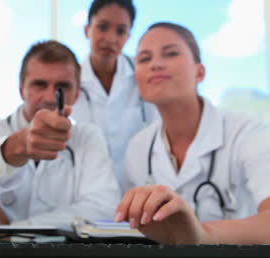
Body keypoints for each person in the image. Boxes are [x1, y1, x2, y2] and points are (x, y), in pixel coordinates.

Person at [115, 22, 270, 244]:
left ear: (200, 72)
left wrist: (203, 234)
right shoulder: (138, 148)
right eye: (144, 59)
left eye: (170, 53)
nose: (156, 64)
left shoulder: (247, 134)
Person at [0, 40, 120, 239]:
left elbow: (104, 207)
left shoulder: (88, 137)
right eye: (39, 84)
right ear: (22, 89)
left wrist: (15, 232)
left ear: (77, 94)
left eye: (62, 86)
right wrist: (16, 148)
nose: (50, 97)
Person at [71, 0, 158, 183]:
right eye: (102, 27)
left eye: (120, 31)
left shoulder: (145, 75)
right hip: (88, 191)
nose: (110, 39)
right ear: (87, 30)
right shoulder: (69, 82)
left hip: (141, 189)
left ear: (128, 36)